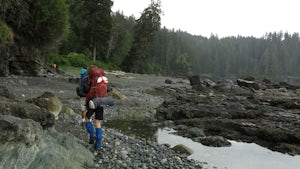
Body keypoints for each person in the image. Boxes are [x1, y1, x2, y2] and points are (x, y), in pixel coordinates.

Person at [84, 66, 108, 149]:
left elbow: (90, 92)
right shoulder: (103, 80)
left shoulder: (93, 80)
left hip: (93, 102)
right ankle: (98, 144)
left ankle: (92, 134)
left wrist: (87, 99)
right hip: (101, 102)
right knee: (98, 122)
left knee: (87, 117)